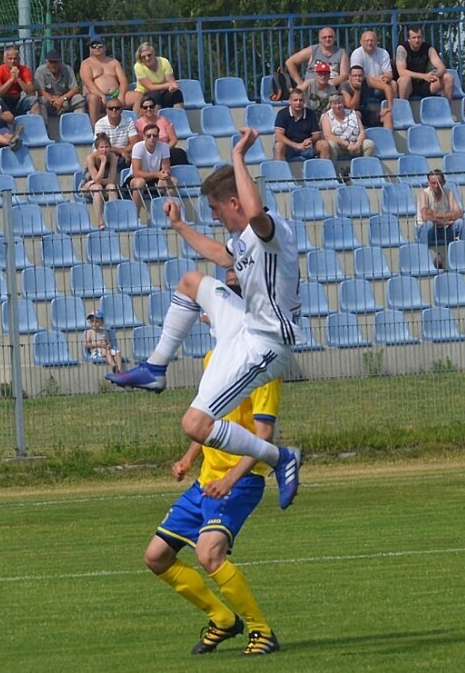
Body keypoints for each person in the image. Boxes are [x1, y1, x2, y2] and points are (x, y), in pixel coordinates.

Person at [105, 127, 302, 510]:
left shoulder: (270, 231)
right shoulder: (244, 240)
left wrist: (239, 157)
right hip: (244, 324)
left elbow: (256, 211)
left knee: (195, 425)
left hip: (267, 342)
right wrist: (180, 227)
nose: (213, 217)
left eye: (215, 209)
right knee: (191, 282)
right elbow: (222, 255)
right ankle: (155, 368)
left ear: (234, 202)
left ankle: (281, 458)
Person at [144, 357, 281, 656]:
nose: (203, 310)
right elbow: (207, 420)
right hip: (207, 482)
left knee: (209, 554)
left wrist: (230, 479)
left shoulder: (264, 366)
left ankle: (262, 630)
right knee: (157, 557)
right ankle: (222, 619)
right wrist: (189, 459)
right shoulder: (214, 357)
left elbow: (264, 437)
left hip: (240, 482)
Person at [79, 34, 141, 125]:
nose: (97, 48)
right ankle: (96, 131)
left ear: (105, 47)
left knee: (138, 96)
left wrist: (121, 95)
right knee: (93, 98)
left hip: (115, 95)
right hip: (97, 96)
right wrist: (101, 95)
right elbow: (88, 82)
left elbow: (123, 81)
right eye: (94, 46)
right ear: (90, 49)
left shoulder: (113, 62)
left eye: (100, 45)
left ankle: (136, 126)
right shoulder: (86, 63)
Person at [416, 169, 465, 269]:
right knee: (429, 224)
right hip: (427, 229)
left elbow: (459, 213)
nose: (436, 186)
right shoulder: (424, 194)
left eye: (439, 182)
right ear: (428, 183)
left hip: (444, 229)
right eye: (433, 183)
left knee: (461, 223)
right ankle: (423, 259)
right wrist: (446, 218)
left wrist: (435, 215)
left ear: (443, 182)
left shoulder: (448, 192)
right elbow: (426, 216)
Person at [128, 123, 179, 216]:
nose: (152, 138)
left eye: (155, 135)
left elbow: (166, 167)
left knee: (173, 181)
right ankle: (135, 216)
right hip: (135, 179)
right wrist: (157, 174)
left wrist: (165, 174)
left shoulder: (163, 146)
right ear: (144, 137)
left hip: (154, 178)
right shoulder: (138, 147)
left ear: (158, 136)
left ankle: (172, 215)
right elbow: (136, 173)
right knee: (140, 182)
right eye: (149, 135)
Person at [395, 25, 454, 100]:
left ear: (422, 38)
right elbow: (401, 72)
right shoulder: (402, 49)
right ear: (408, 39)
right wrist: (424, 76)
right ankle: (403, 110)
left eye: (419, 37)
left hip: (425, 84)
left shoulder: (429, 48)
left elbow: (441, 67)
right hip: (409, 85)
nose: (417, 40)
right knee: (404, 80)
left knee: (448, 77)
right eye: (414, 38)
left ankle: (447, 108)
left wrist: (435, 75)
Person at [349, 29, 397, 110]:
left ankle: (395, 110)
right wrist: (378, 78)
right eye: (367, 40)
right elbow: (357, 75)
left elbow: (389, 74)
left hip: (381, 83)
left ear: (376, 41)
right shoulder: (356, 54)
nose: (369, 43)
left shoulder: (383, 53)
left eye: (372, 40)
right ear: (361, 42)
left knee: (393, 84)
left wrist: (386, 78)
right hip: (364, 84)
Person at [273, 88, 326, 160]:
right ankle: (279, 171)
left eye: (300, 100)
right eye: (295, 100)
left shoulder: (310, 113)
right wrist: (297, 145)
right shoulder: (282, 114)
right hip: (289, 147)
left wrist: (310, 140)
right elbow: (278, 136)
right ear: (290, 101)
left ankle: (323, 170)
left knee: (324, 145)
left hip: (307, 147)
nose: (298, 103)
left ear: (304, 101)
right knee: (278, 146)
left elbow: (317, 135)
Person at [33, 49, 86, 123]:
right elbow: (40, 90)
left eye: (56, 62)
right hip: (49, 101)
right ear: (46, 62)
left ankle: (79, 126)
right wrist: (53, 99)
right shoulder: (40, 71)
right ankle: (44, 128)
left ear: (60, 61)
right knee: (40, 101)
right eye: (51, 62)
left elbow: (75, 88)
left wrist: (62, 99)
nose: (54, 65)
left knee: (79, 99)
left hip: (65, 100)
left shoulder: (67, 69)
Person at [81, 133, 120, 230]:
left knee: (111, 187)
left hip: (101, 183)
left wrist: (95, 181)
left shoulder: (113, 157)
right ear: (97, 148)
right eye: (101, 147)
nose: (104, 150)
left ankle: (113, 219)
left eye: (107, 147)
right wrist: (103, 163)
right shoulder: (90, 158)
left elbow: (111, 179)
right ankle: (100, 221)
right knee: (97, 188)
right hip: (89, 186)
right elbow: (96, 179)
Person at [319, 92, 375, 160]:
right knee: (331, 144)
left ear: (343, 103)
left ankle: (366, 168)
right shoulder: (326, 116)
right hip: (339, 147)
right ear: (331, 105)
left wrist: (358, 144)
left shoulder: (353, 113)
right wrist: (347, 144)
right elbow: (328, 135)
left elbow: (362, 132)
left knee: (369, 144)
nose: (337, 106)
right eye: (335, 103)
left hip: (355, 145)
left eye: (339, 103)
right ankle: (333, 169)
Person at [134, 97, 188, 166]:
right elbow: (139, 143)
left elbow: (173, 139)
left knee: (179, 153)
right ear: (141, 109)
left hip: (166, 149)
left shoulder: (163, 120)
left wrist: (164, 150)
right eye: (145, 107)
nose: (149, 109)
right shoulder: (138, 124)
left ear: (154, 107)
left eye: (151, 106)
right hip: (149, 153)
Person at [133, 42, 184, 111]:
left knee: (177, 94)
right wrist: (168, 85)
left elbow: (171, 82)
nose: (147, 58)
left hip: (163, 93)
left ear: (154, 54)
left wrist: (172, 87)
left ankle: (178, 117)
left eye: (149, 55)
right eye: (143, 57)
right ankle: (155, 120)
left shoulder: (164, 62)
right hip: (145, 94)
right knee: (155, 96)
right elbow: (150, 87)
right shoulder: (138, 66)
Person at [340, 65, 394, 130]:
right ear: (349, 77)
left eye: (360, 76)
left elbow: (387, 87)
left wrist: (389, 106)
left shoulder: (366, 81)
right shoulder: (344, 87)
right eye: (354, 76)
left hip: (367, 112)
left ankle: (389, 138)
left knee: (387, 115)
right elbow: (352, 107)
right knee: (357, 114)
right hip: (351, 115)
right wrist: (357, 90)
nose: (357, 78)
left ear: (363, 76)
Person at [0, 46, 40, 116]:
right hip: (4, 101)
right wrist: (11, 79)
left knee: (34, 100)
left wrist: (18, 79)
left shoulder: (25, 70)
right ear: (4, 60)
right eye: (10, 59)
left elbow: (31, 92)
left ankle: (37, 124)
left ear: (19, 60)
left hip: (18, 101)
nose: (13, 61)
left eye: (15, 59)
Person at [93, 98, 140, 170]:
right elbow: (100, 146)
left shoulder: (129, 121)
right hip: (106, 152)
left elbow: (134, 143)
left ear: (121, 110)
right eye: (111, 108)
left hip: (125, 152)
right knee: (99, 156)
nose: (114, 110)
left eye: (117, 108)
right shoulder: (100, 124)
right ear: (106, 110)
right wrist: (121, 152)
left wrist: (123, 152)